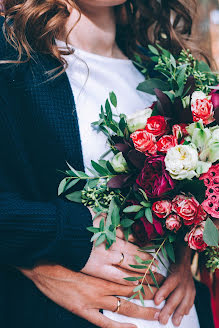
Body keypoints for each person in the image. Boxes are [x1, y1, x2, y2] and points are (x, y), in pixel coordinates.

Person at [0, 1, 214, 328]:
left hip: (178, 316)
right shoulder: (13, 57)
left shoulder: (162, 69)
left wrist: (184, 257)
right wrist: (46, 259)